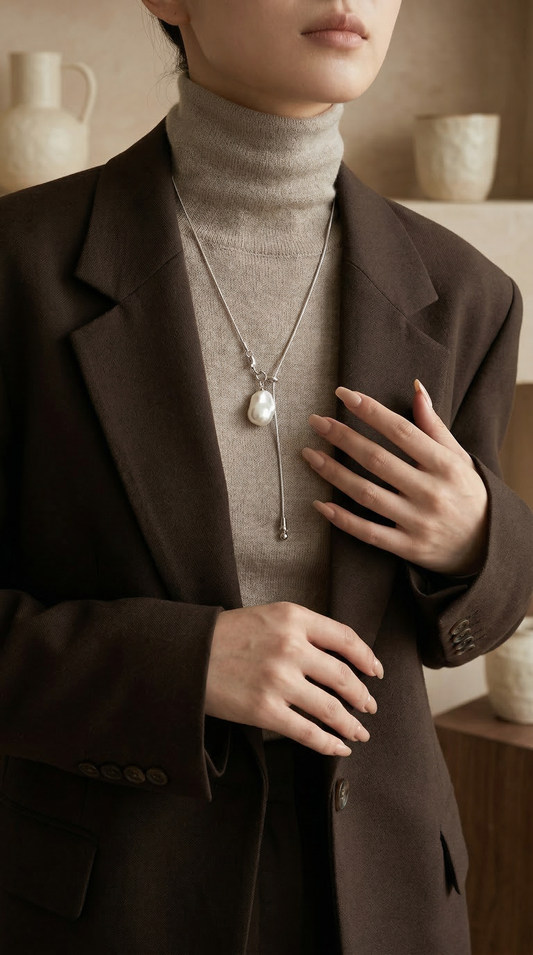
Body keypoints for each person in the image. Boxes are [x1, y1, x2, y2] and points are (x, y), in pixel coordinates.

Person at [0, 1, 531, 953]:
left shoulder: (469, 295)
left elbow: (473, 624)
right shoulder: (17, 268)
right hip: (106, 903)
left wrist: (477, 538)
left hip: (389, 903)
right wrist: (183, 664)